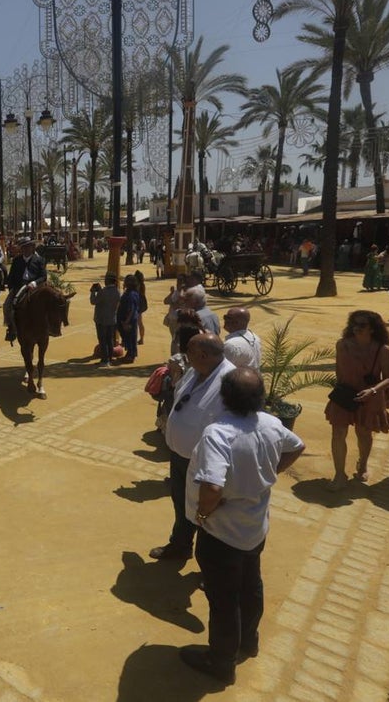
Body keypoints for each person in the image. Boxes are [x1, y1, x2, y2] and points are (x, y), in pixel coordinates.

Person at [179, 367, 305, 685]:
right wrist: (266, 476)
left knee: (224, 599)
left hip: (222, 532)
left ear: (224, 397)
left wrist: (204, 515)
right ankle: (248, 642)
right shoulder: (271, 423)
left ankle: (221, 662)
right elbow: (297, 445)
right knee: (251, 586)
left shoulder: (219, 433)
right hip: (255, 526)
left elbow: (212, 487)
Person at [150, 333, 235, 561]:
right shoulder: (195, 371)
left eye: (189, 351)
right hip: (180, 456)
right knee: (182, 505)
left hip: (207, 464)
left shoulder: (231, 382)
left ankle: (212, 568)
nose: (185, 354)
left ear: (203, 355)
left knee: (210, 514)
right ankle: (180, 545)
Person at [325, 311, 389, 490]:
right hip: (345, 394)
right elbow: (339, 371)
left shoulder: (383, 350)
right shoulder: (342, 345)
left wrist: (372, 390)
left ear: (372, 328)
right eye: (354, 324)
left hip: (370, 397)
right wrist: (341, 392)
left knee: (364, 433)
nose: (356, 328)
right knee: (338, 433)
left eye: (362, 325)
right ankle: (339, 474)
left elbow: (388, 377)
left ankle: (362, 464)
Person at [3, 238, 47, 342]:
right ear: (21, 249)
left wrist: (34, 283)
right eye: (24, 247)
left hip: (35, 287)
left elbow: (43, 276)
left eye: (28, 246)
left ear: (32, 247)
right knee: (7, 305)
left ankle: (51, 327)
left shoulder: (40, 260)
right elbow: (11, 277)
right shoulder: (16, 260)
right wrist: (11, 289)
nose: (26, 249)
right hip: (19, 288)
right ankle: (11, 328)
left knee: (52, 300)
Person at [92, 273, 120, 365]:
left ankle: (104, 360)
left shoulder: (103, 292)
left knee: (102, 340)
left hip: (101, 319)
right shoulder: (117, 291)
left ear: (108, 280)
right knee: (109, 340)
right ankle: (110, 358)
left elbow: (93, 301)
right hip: (112, 319)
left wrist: (93, 292)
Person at [117, 275, 141, 364]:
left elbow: (131, 309)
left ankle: (131, 355)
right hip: (128, 319)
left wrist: (126, 321)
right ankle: (130, 354)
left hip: (129, 320)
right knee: (129, 337)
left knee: (130, 337)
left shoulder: (131, 294)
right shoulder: (131, 292)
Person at [134, 270, 149, 346]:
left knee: (137, 322)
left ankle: (138, 339)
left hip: (138, 304)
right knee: (140, 322)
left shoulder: (137, 285)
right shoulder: (142, 285)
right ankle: (141, 338)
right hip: (141, 304)